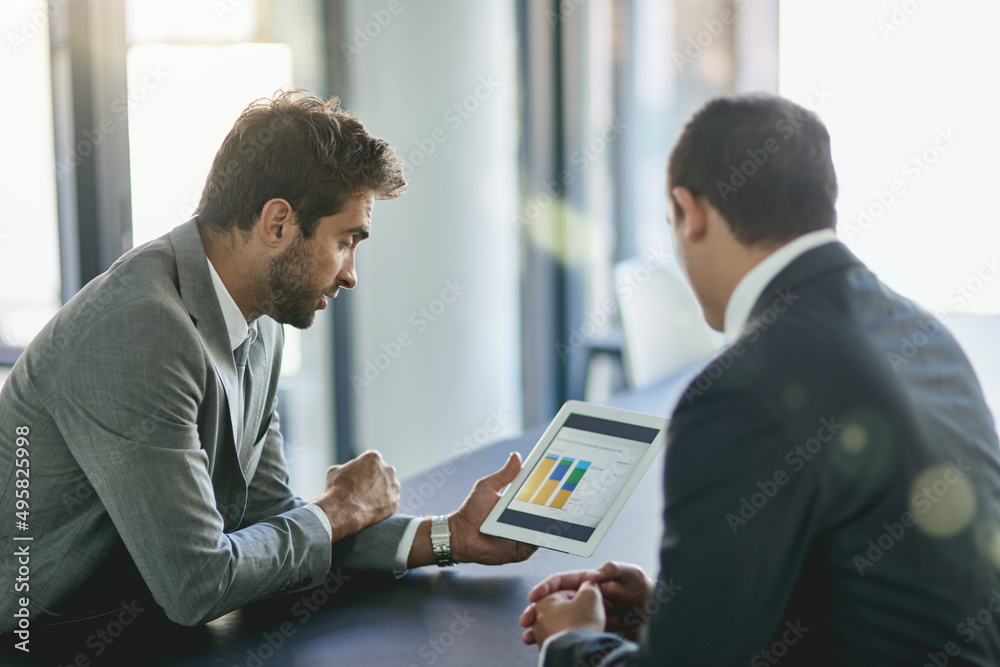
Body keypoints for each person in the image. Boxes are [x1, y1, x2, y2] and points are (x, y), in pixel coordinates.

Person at [0, 90, 534, 644]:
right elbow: (198, 583)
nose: (351, 273)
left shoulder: (261, 318)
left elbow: (269, 517)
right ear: (278, 222)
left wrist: (449, 537)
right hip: (41, 639)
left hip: (139, 629)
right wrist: (337, 509)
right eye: (346, 241)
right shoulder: (140, 328)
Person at [520, 93, 1000, 665]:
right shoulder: (923, 333)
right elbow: (887, 593)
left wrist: (569, 639)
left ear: (689, 212)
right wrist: (684, 608)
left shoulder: (741, 390)